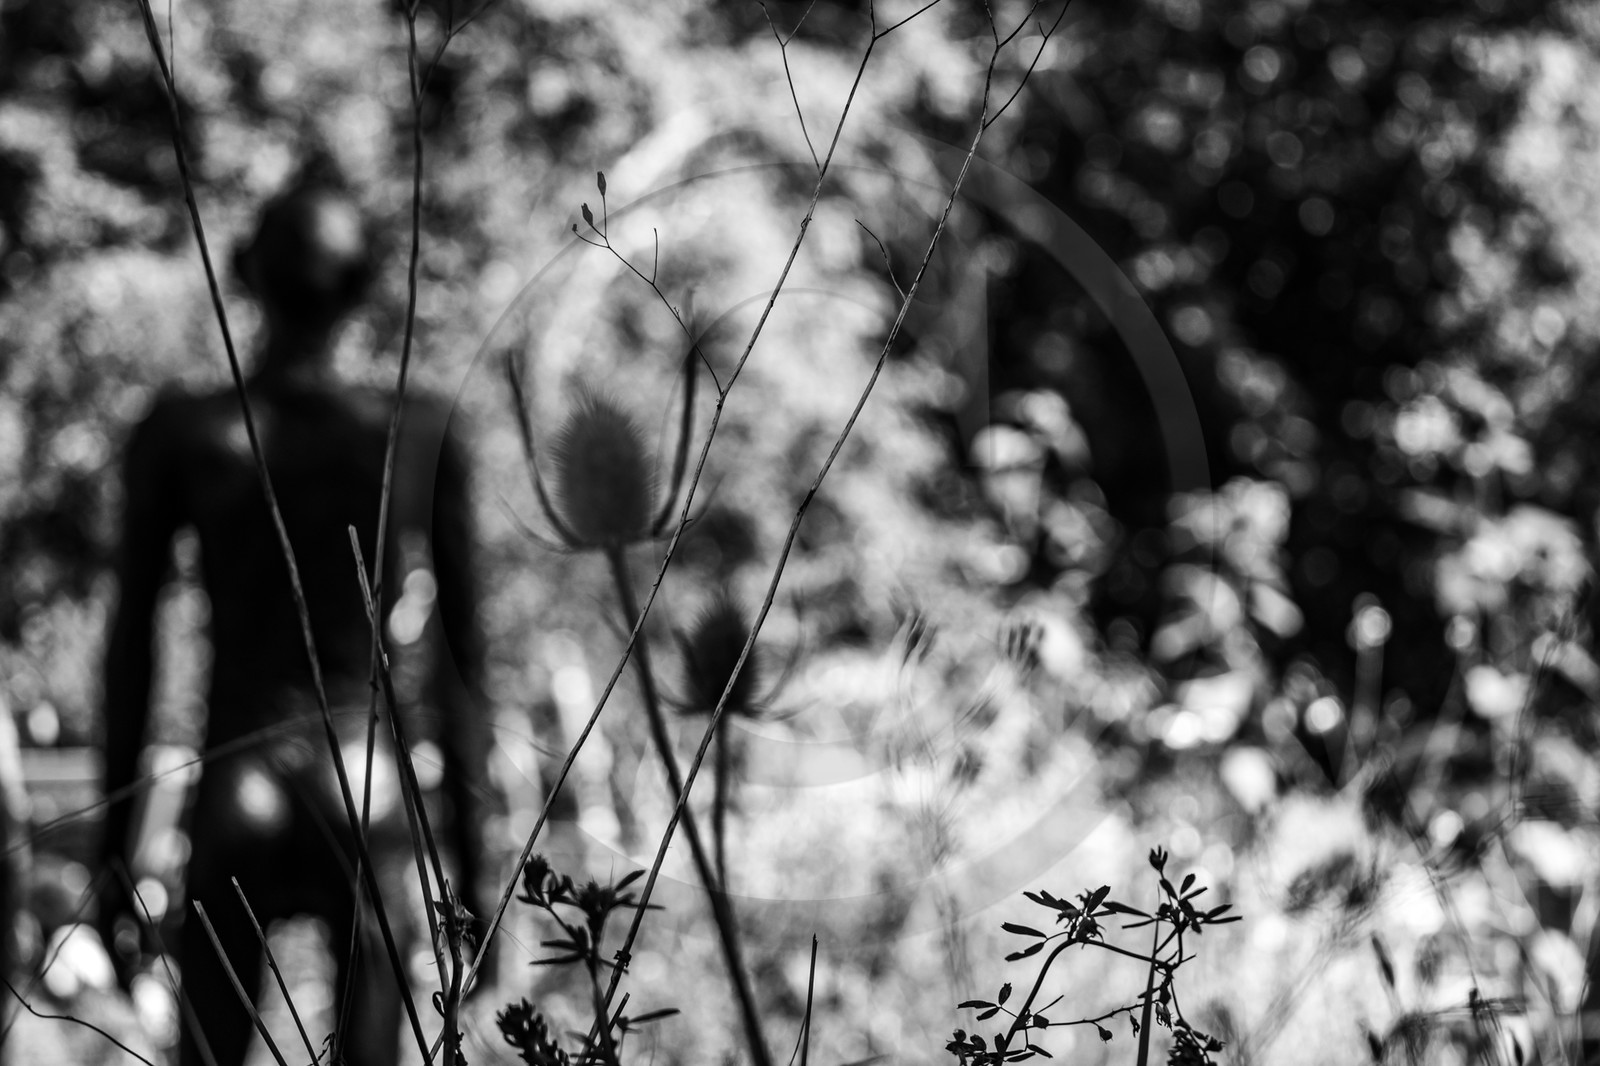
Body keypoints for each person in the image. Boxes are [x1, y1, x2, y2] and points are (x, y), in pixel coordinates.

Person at [97, 174, 495, 1066]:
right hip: (368, 785)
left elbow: (131, 652)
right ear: (362, 291)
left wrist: (111, 866)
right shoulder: (419, 432)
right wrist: (476, 872)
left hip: (235, 781)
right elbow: (463, 668)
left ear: (250, 279)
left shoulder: (183, 432)